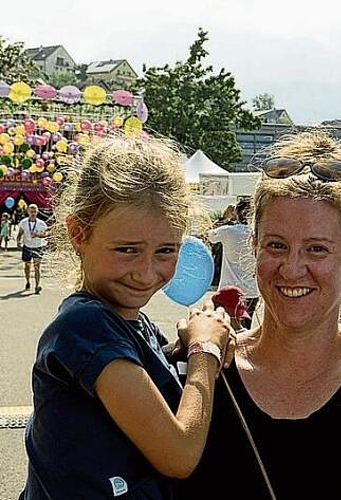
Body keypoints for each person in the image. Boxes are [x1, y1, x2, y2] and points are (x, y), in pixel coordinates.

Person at [183, 131, 341, 499]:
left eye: (316, 249)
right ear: (253, 246)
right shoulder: (204, 372)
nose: (292, 269)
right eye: (276, 245)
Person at [20, 136, 234, 499]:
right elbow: (178, 454)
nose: (146, 272)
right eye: (127, 250)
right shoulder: (84, 326)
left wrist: (179, 348)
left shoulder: (131, 325)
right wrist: (203, 351)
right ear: (79, 234)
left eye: (166, 251)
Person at [207, 197, 259, 327]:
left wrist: (224, 218)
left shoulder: (228, 231)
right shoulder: (258, 234)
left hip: (228, 290)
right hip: (251, 291)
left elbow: (209, 235)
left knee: (224, 327)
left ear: (236, 212)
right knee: (245, 328)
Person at [17, 203, 48, 293]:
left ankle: (37, 286)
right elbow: (20, 234)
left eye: (35, 212)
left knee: (37, 267)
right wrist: (18, 241)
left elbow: (46, 234)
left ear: (37, 212)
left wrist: (38, 234)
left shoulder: (41, 223)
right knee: (27, 266)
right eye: (31, 212)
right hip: (27, 246)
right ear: (28, 212)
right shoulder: (23, 222)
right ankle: (27, 281)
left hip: (37, 247)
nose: (33, 213)